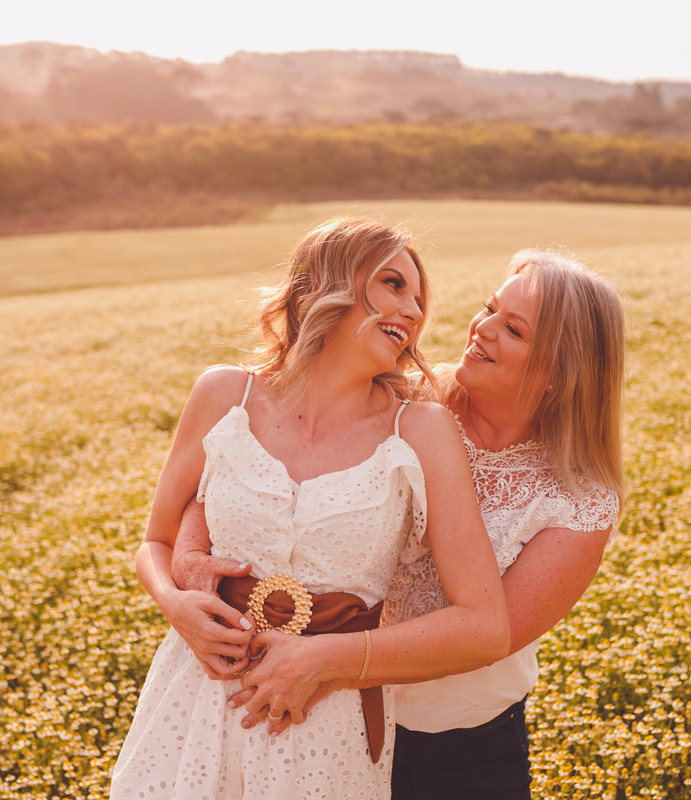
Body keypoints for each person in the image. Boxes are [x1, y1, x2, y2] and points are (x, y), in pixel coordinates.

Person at [173, 248, 626, 800]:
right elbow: (246, 473)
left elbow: (484, 639)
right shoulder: (400, 401)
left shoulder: (580, 500)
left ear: (560, 372)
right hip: (318, 718)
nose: (481, 328)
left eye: (513, 329)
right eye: (489, 308)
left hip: (455, 752)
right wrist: (189, 555)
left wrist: (322, 662)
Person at [110, 216, 510, 800]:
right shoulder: (223, 394)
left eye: (419, 300)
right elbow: (157, 542)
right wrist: (176, 606)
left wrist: (325, 658)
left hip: (326, 719)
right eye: (394, 284)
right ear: (325, 284)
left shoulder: (422, 430)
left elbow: (484, 627)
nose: (413, 311)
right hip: (195, 695)